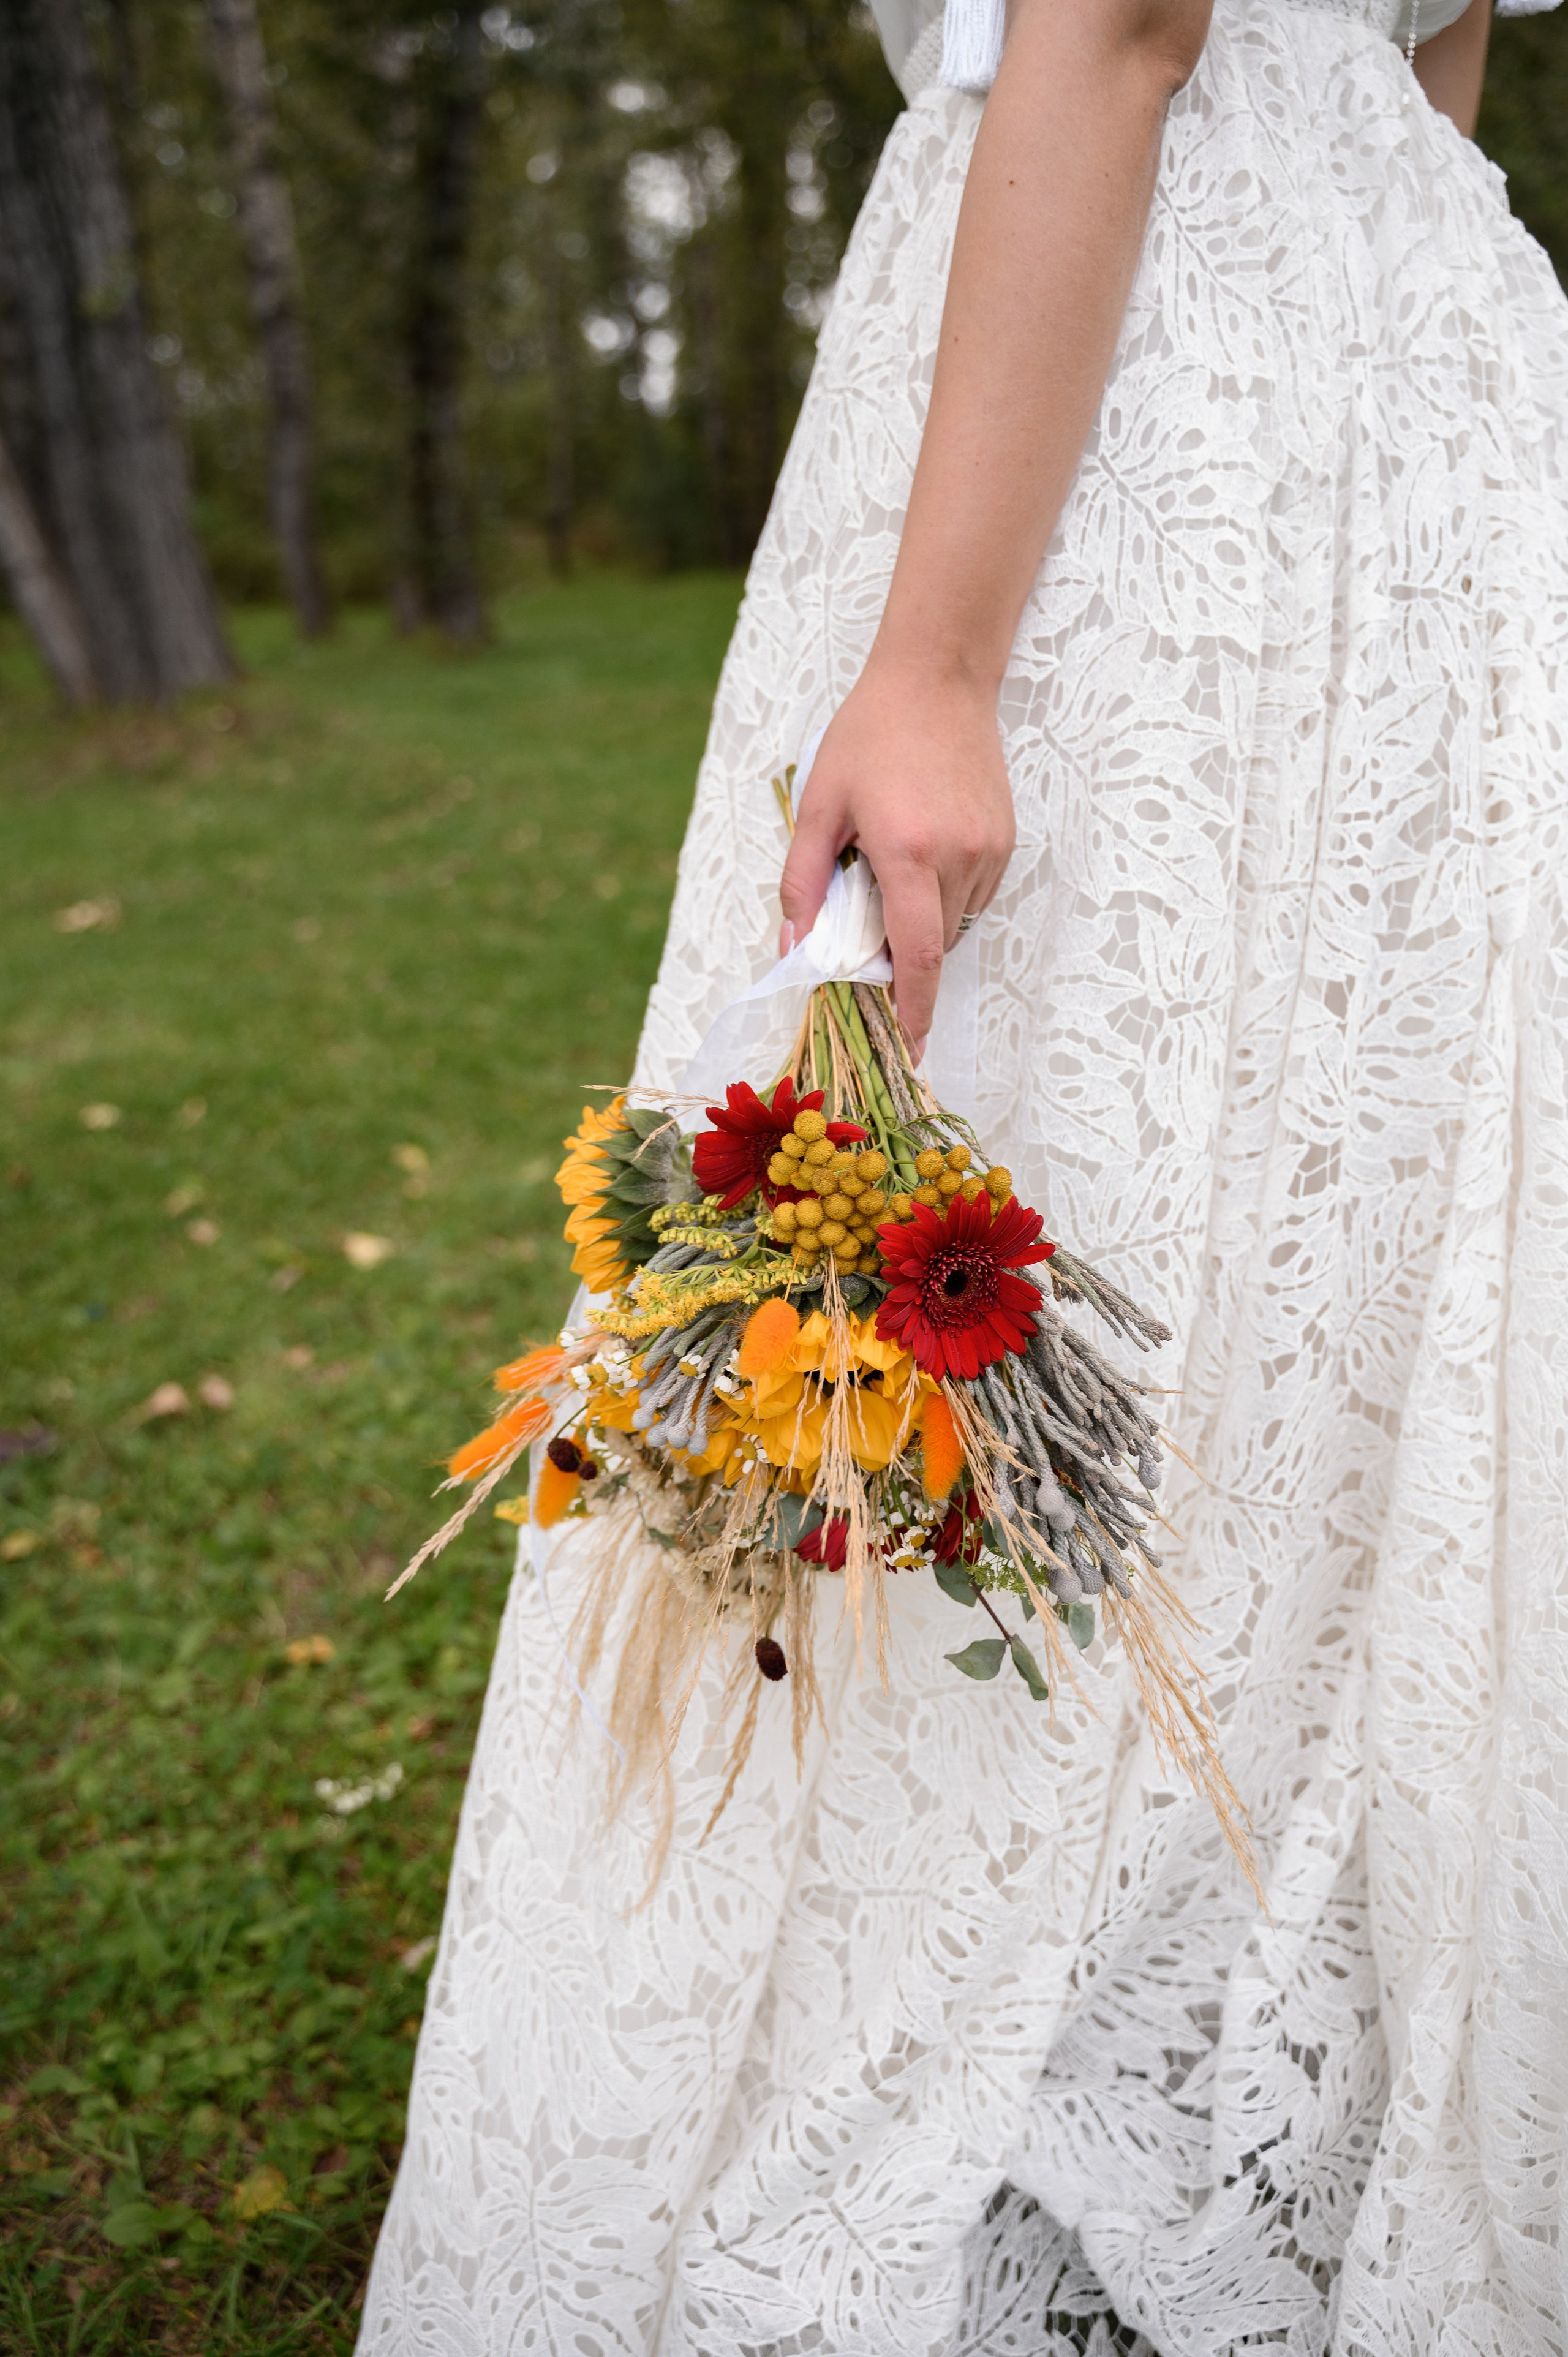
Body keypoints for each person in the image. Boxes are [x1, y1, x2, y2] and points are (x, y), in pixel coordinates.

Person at [359, 0, 1568, 2348]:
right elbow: (1443, 55)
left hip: (1144, 369)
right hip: (1432, 413)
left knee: (1059, 1138)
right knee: (1330, 1263)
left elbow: (1116, 20)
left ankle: (1011, 2071)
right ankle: (1264, 2027)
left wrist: (935, 656)